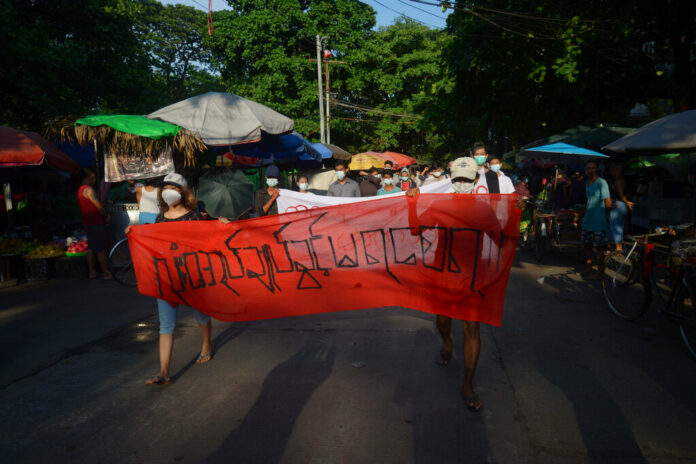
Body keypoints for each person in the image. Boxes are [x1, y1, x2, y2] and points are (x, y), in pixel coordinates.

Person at [406, 158, 524, 411]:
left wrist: (516, 213)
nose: (461, 184)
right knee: (443, 320)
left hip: (472, 277)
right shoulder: (439, 205)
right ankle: (447, 343)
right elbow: (416, 231)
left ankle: (467, 384)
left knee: (472, 329)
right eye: (457, 179)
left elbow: (502, 241)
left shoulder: (483, 211)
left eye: (466, 179)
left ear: (475, 181)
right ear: (451, 179)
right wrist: (412, 203)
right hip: (444, 275)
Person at [143, 173, 213, 385]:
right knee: (166, 326)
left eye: (173, 188)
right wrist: (134, 233)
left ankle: (206, 344)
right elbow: (153, 242)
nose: (168, 191)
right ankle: (164, 371)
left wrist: (221, 225)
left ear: (182, 192)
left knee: (201, 316)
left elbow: (205, 240)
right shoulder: (160, 216)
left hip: (191, 277)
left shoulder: (194, 216)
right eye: (166, 187)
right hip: (166, 278)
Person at [77, 169, 113, 280]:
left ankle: (92, 272)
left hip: (87, 223)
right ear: (86, 178)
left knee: (91, 248)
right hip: (96, 223)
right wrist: (106, 216)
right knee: (100, 248)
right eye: (92, 177)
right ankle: (106, 272)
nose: (94, 179)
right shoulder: (88, 190)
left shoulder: (79, 190)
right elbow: (98, 206)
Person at [580, 160, 611, 280]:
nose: (590, 170)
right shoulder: (587, 182)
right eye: (588, 168)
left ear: (597, 169)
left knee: (599, 248)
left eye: (592, 168)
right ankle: (589, 268)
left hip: (599, 220)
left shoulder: (601, 182)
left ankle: (600, 272)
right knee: (587, 245)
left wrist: (606, 216)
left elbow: (607, 201)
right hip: (588, 219)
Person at [608, 163, 633, 251]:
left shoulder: (618, 180)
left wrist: (627, 202)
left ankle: (618, 248)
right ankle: (618, 247)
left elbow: (621, 195)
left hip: (618, 205)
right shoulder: (622, 180)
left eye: (612, 170)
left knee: (615, 227)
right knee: (619, 226)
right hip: (622, 206)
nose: (611, 172)